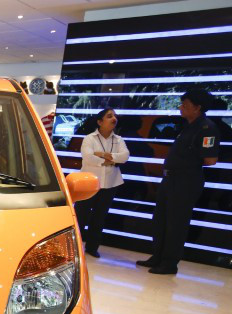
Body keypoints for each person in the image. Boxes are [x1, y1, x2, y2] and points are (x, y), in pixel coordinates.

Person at [137, 89, 220, 274]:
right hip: (171, 179)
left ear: (197, 108)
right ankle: (158, 256)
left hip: (186, 181)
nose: (181, 107)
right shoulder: (188, 126)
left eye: (185, 105)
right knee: (160, 219)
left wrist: (188, 162)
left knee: (176, 223)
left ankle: (169, 263)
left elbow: (210, 160)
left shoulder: (207, 128)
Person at [75, 108, 129, 258]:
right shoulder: (90, 138)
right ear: (100, 122)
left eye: (115, 116)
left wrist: (102, 155)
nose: (114, 119)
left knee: (99, 217)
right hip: (89, 184)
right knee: (80, 217)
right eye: (109, 116)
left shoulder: (118, 139)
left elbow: (125, 156)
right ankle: (75, 248)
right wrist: (110, 160)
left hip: (110, 184)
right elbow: (88, 157)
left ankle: (92, 247)